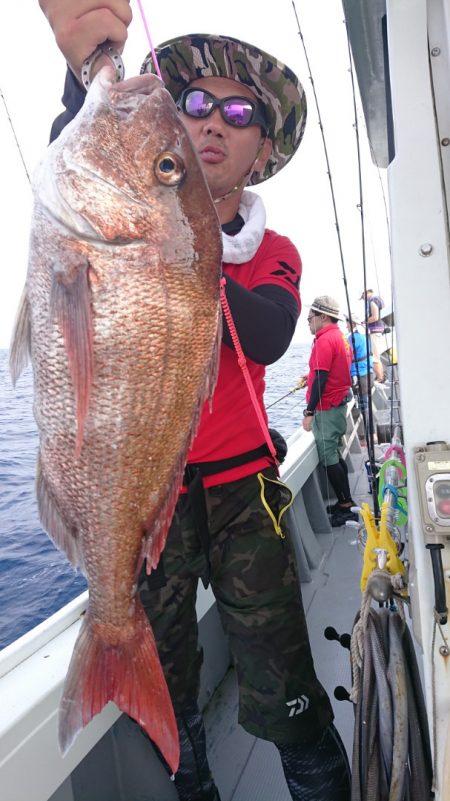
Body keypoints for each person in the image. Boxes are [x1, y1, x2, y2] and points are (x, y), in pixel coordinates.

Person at [38, 4, 351, 800]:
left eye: (240, 111)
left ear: (265, 148)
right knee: (168, 670)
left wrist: (180, 251)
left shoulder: (270, 252)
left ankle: (315, 776)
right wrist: (89, 69)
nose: (212, 122)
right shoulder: (127, 215)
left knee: (280, 666)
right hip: (154, 502)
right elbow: (89, 153)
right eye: (195, 106)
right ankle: (193, 779)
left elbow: (275, 331)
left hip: (248, 490)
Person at [301, 296, 358, 528]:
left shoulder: (324, 341)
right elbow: (329, 372)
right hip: (338, 406)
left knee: (329, 457)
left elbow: (322, 378)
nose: (308, 322)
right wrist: (311, 377)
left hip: (327, 408)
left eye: (310, 317)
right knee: (335, 452)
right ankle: (346, 502)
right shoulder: (340, 338)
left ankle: (345, 507)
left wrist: (309, 411)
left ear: (323, 316)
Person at [345, 311, 373, 440]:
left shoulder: (352, 338)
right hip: (368, 374)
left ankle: (364, 435)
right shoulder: (366, 336)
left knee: (361, 406)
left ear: (352, 323)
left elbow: (346, 356)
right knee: (366, 404)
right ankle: (370, 434)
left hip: (358, 377)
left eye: (347, 323)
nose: (346, 326)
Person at [360, 288, 385, 383]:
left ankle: (380, 378)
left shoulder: (372, 301)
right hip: (378, 330)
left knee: (374, 356)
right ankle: (381, 376)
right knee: (376, 354)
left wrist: (364, 322)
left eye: (362, 297)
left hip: (374, 330)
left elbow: (375, 317)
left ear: (365, 293)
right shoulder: (378, 299)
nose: (363, 299)